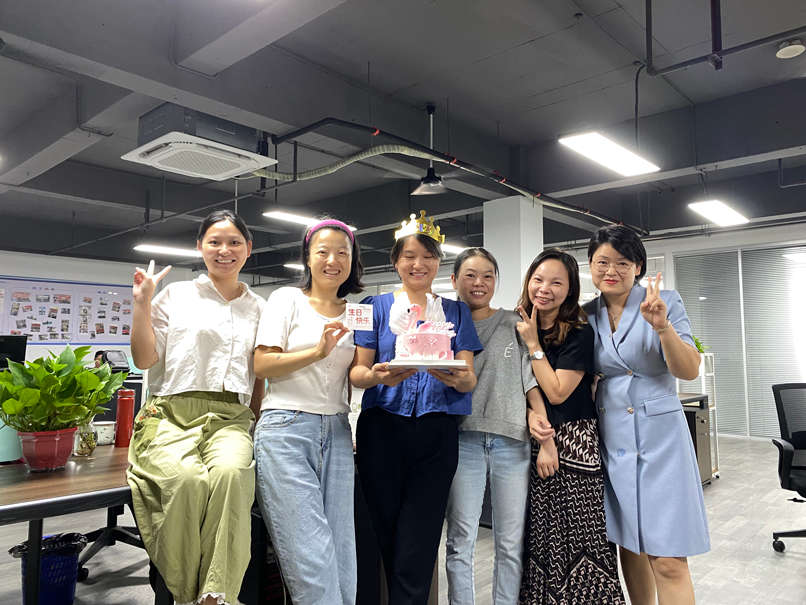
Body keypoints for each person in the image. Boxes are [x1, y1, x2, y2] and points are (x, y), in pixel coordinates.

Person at [128, 209, 264, 605]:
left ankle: (216, 593)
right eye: (214, 242)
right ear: (199, 247)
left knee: (232, 475)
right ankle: (190, 594)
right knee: (186, 480)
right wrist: (141, 303)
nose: (224, 251)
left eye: (234, 242)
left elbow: (259, 374)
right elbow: (144, 359)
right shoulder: (176, 295)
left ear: (248, 248)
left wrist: (255, 421)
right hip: (171, 413)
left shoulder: (259, 306)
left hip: (231, 418)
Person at [350, 211, 483, 605]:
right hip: (381, 427)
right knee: (387, 529)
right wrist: (377, 376)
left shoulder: (455, 311)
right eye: (409, 256)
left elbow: (469, 377)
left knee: (421, 534)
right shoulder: (373, 306)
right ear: (396, 261)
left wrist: (458, 379)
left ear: (438, 263)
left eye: (427, 256)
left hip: (436, 431)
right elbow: (357, 373)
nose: (418, 264)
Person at [582, 225, 708, 605]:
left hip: (662, 442)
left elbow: (689, 369)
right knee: (630, 546)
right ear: (590, 266)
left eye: (623, 262)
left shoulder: (664, 300)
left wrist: (663, 327)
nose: (611, 270)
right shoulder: (587, 314)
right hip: (613, 440)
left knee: (668, 559)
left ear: (638, 267)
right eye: (602, 262)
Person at [253, 218, 364, 605]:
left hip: (337, 430)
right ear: (308, 257)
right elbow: (262, 365)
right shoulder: (286, 299)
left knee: (341, 548)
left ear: (352, 260)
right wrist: (317, 352)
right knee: (308, 551)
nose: (333, 260)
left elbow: (352, 377)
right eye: (323, 252)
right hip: (286, 428)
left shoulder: (357, 314)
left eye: (342, 253)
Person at [444, 248, 554, 605]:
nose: (479, 283)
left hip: (512, 442)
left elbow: (529, 381)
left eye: (488, 275)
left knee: (510, 542)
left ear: (496, 281)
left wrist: (544, 432)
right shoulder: (444, 325)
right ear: (454, 280)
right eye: (470, 275)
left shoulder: (513, 322)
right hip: (463, 440)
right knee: (460, 541)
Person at [516, 248, 625, 605]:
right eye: (538, 279)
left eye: (556, 283)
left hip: (575, 440)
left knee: (582, 535)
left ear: (570, 289)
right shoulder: (518, 324)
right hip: (533, 437)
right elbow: (516, 387)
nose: (544, 289)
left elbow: (558, 392)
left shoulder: (578, 331)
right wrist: (531, 418)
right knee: (542, 535)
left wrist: (533, 345)